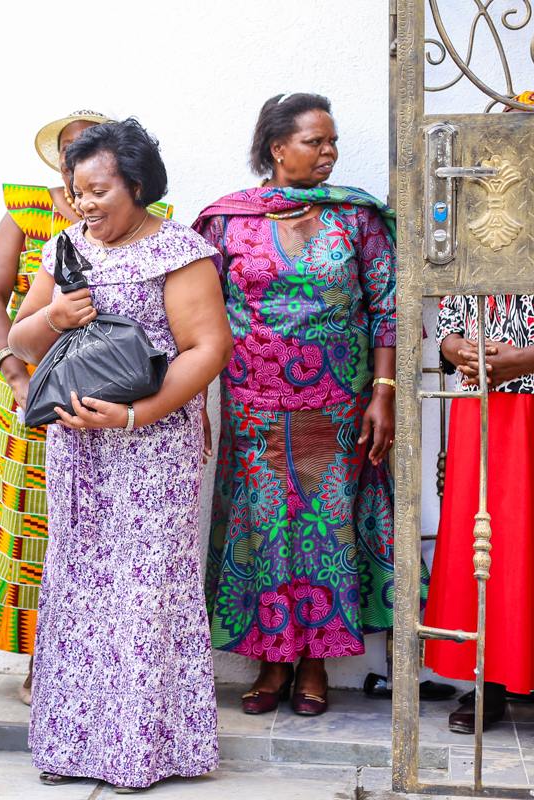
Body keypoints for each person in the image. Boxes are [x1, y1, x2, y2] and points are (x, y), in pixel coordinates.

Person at [9, 118, 232, 793]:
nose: (85, 205)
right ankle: (73, 746)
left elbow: (208, 349)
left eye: (99, 190)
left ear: (137, 185)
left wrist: (138, 413)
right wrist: (56, 319)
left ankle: (144, 753)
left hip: (152, 451)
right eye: (77, 192)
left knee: (144, 596)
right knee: (79, 592)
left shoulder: (179, 252)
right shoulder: (65, 247)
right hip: (80, 451)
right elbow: (21, 338)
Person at [193, 93, 399, 718]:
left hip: (337, 408)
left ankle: (313, 664)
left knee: (326, 529)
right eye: (316, 142)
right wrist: (195, 400)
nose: (329, 153)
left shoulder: (357, 218)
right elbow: (198, 315)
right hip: (254, 407)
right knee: (264, 529)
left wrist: (384, 394)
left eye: (332, 142)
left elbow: (387, 306)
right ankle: (271, 661)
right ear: (277, 149)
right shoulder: (227, 221)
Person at [0, 111, 172, 704]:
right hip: (31, 394)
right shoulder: (30, 212)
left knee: (103, 538)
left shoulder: (152, 226)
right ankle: (43, 660)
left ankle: (109, 669)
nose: (75, 161)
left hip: (117, 400)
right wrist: (12, 372)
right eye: (67, 153)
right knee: (34, 534)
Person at [425, 295, 534, 732]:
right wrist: (455, 348)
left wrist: (526, 359)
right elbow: (450, 319)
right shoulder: (475, 228)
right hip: (480, 400)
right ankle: (489, 678)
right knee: (485, 541)